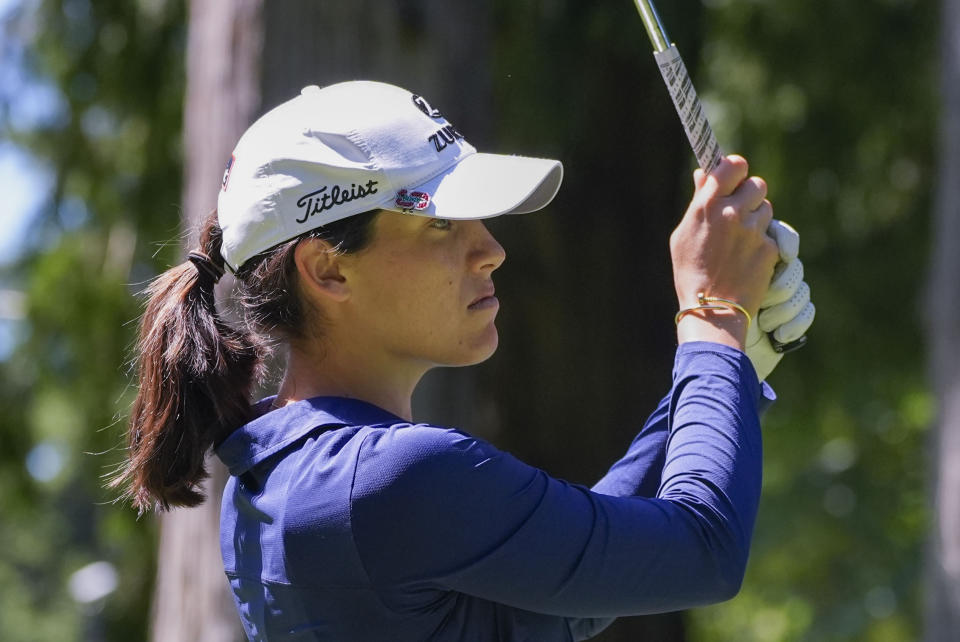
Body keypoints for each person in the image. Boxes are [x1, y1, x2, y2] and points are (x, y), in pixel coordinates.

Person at [114, 80, 814, 641]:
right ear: (328, 269)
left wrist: (726, 371)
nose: (492, 250)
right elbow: (702, 551)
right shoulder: (389, 478)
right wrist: (713, 316)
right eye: (440, 223)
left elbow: (576, 590)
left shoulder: (277, 471)